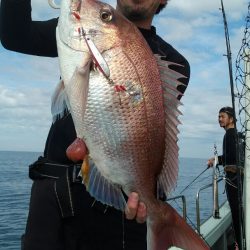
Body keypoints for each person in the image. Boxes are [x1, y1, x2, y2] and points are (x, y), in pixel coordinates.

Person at [0, 0, 190, 249]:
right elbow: (15, 37)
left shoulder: (174, 63)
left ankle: (159, 219)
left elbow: (151, 136)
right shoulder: (79, 28)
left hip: (120, 205)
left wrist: (147, 197)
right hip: (56, 195)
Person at [207, 107, 244, 249]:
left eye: (222, 116)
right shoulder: (237, 135)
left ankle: (239, 244)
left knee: (236, 211)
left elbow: (230, 159)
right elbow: (232, 158)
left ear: (231, 119)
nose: (219, 119)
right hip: (238, 180)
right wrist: (215, 159)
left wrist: (215, 160)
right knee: (238, 211)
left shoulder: (229, 134)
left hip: (233, 180)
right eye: (219, 117)